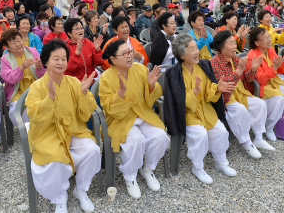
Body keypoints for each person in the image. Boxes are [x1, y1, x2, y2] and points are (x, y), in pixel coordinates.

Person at [25, 39, 100, 213]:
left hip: (73, 129)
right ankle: (59, 198)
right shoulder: (37, 87)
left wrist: (82, 94)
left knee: (92, 150)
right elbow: (34, 116)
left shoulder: (73, 82)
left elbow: (84, 114)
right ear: (45, 61)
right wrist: (49, 98)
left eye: (64, 58)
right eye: (55, 59)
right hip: (47, 133)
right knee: (56, 160)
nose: (60, 62)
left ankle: (81, 189)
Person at [162, 34, 238, 184]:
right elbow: (177, 102)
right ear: (181, 55)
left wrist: (217, 88)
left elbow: (210, 90)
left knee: (221, 131)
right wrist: (194, 93)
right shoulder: (173, 73)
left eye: (196, 47)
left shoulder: (204, 65)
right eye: (192, 49)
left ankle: (221, 161)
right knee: (200, 135)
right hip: (187, 114)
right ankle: (197, 167)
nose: (197, 52)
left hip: (206, 109)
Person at [99, 40, 169, 198]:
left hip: (142, 114)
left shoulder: (139, 68)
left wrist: (151, 85)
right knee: (136, 140)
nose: (130, 56)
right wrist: (120, 94)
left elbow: (152, 95)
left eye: (129, 52)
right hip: (121, 119)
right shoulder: (105, 78)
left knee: (160, 137)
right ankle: (130, 176)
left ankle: (148, 169)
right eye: (124, 54)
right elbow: (109, 108)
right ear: (113, 59)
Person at [211, 30, 275, 158]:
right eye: (231, 43)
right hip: (227, 97)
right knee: (240, 110)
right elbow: (225, 86)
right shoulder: (214, 62)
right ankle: (246, 141)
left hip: (241, 92)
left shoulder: (235, 58)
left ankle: (258, 137)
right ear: (221, 47)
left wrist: (252, 69)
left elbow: (248, 79)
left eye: (235, 43)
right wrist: (239, 70)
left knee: (260, 104)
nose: (235, 46)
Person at [245, 27, 284, 140]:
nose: (268, 40)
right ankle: (269, 127)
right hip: (261, 86)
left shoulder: (270, 50)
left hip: (273, 82)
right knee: (279, 97)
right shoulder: (252, 56)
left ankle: (282, 123)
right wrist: (274, 67)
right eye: (264, 38)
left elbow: (279, 69)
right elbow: (259, 79)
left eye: (269, 36)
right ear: (256, 42)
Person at [0, 28, 45, 126]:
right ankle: (27, 132)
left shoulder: (33, 51)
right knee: (18, 107)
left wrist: (40, 68)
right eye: (13, 42)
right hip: (17, 91)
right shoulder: (5, 59)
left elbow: (44, 75)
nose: (18, 44)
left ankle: (43, 131)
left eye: (19, 40)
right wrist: (21, 68)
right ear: (7, 47)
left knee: (45, 104)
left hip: (36, 88)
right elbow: (8, 79)